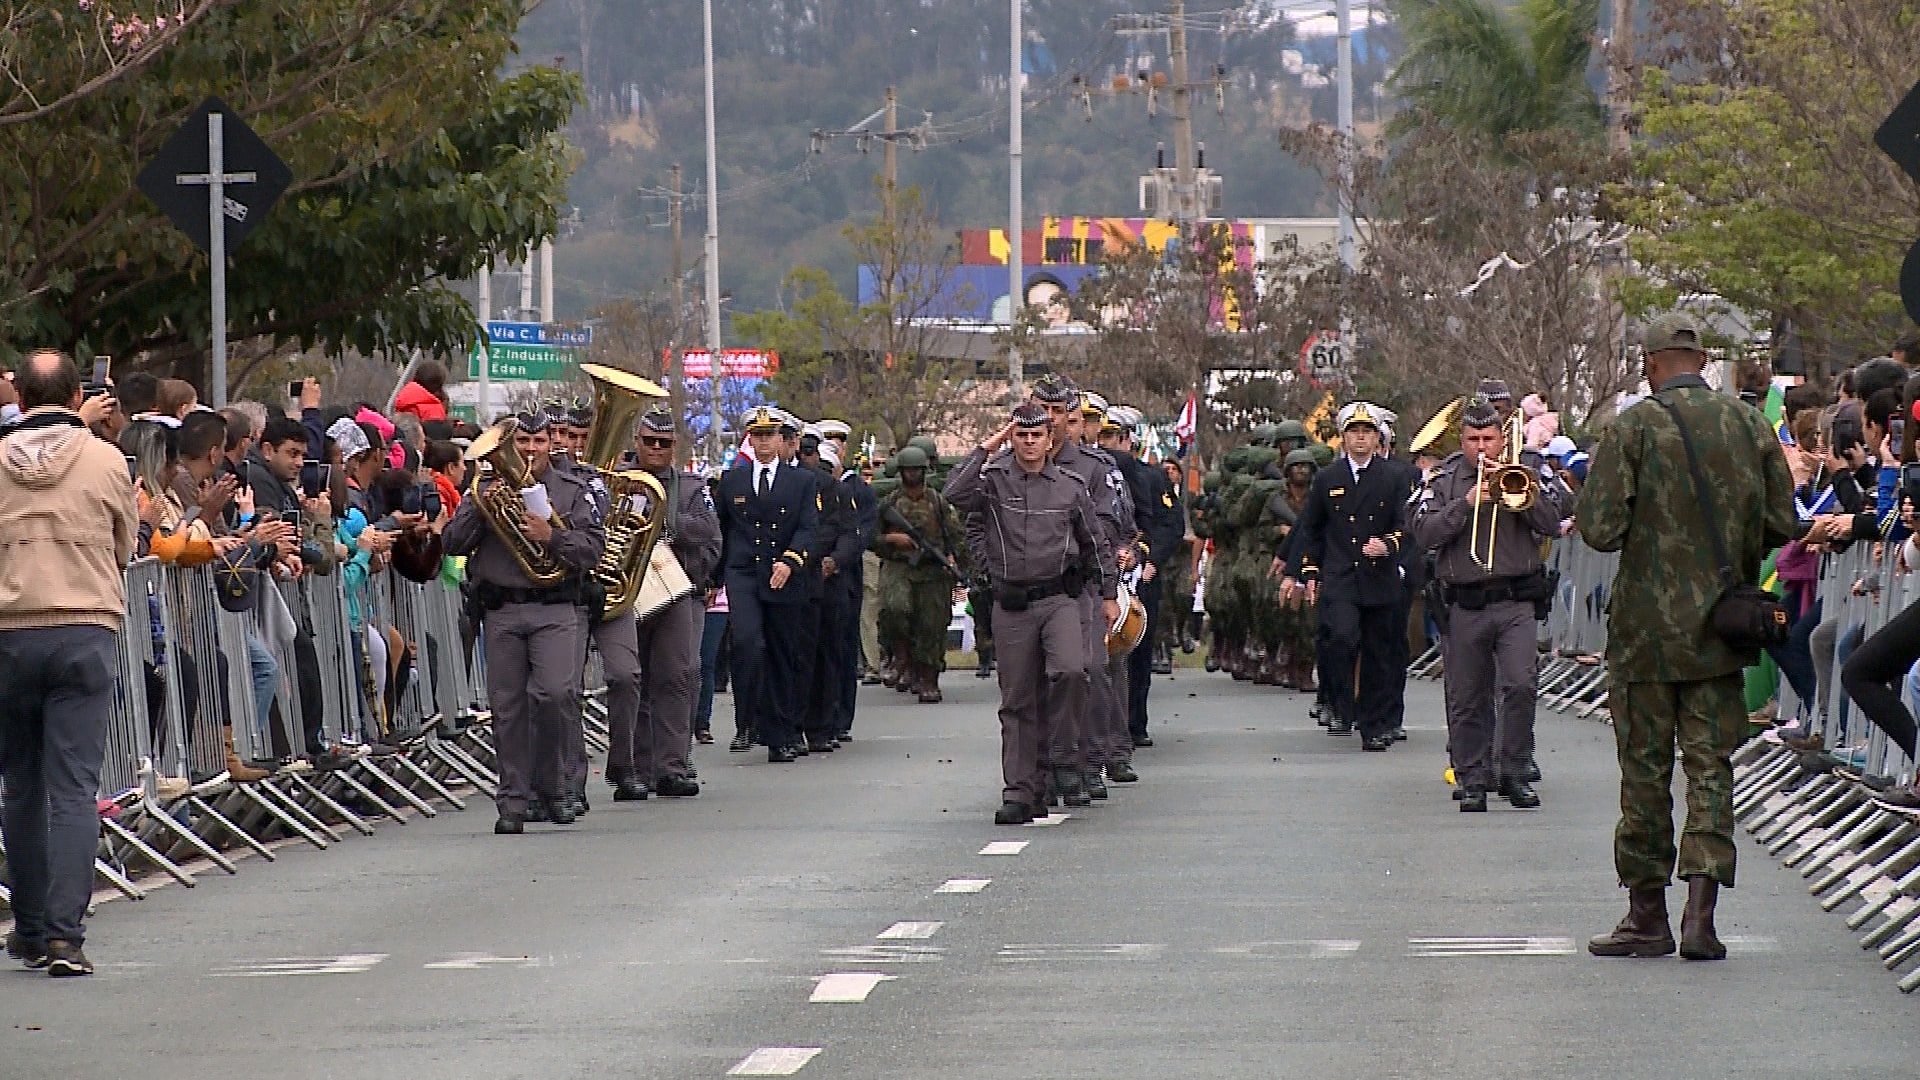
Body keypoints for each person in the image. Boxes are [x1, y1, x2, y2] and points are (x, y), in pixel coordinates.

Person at [1577, 311, 1795, 961]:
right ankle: (1702, 915)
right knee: (1710, 768)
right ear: (1701, 361)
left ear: (1650, 363)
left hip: (1644, 635)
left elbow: (1599, 529)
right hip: (1720, 631)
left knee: (1644, 772)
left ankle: (1647, 915)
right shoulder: (1750, 424)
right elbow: (1783, 521)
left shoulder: (1632, 428)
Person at [0, 349, 139, 977]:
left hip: (9, 630)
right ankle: (65, 937)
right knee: (74, 788)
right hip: (84, 626)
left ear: (20, 397)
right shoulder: (106, 460)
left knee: (21, 785)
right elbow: (125, 546)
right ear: (78, 391)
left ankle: (27, 927)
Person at [944, 402, 1118, 825]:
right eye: (1020, 435)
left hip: (1060, 598)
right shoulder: (994, 481)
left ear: (1049, 439)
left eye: (1036, 435)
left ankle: (1062, 756)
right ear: (1012, 436)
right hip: (1013, 604)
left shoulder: (1070, 486)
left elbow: (1094, 543)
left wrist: (1109, 594)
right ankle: (1022, 790)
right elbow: (953, 494)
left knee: (1072, 672)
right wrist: (988, 447)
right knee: (1018, 700)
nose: (1028, 442)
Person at [443, 411, 606, 833]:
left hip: (555, 606)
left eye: (538, 441)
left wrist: (552, 537)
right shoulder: (482, 488)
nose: (530, 450)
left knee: (555, 695)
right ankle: (514, 801)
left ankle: (554, 785)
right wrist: (482, 507)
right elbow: (452, 543)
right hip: (501, 609)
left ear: (551, 442)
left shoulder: (571, 490)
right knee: (508, 708)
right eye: (521, 443)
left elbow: (592, 549)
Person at [1412, 400, 1567, 812]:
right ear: (1461, 441)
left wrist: (1525, 492)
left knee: (1520, 685)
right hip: (1465, 604)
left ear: (1502, 440)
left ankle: (1514, 771)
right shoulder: (1443, 480)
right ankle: (1472, 778)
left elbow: (1554, 523)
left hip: (1516, 601)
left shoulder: (1524, 472)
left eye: (1489, 439)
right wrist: (1465, 504)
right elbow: (1424, 533)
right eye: (1473, 440)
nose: (1482, 448)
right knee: (1468, 697)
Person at [1278, 402, 1410, 751]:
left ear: (1376, 437)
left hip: (1379, 577)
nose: (1361, 439)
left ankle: (1375, 723)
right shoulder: (1328, 478)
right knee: (1341, 638)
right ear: (1343, 437)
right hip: (1340, 576)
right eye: (1354, 432)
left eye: (1367, 432)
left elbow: (1405, 524)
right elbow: (1312, 528)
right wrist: (1308, 571)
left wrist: (1387, 545)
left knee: (1379, 652)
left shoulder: (1393, 476)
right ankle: (1340, 701)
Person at [623, 406, 723, 797]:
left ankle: (673, 766)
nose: (656, 450)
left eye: (664, 443)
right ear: (637, 442)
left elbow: (709, 532)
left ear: (674, 446)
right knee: (633, 680)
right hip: (630, 590)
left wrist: (665, 521)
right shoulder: (620, 482)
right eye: (649, 442)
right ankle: (637, 767)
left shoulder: (692, 487)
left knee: (677, 677)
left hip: (676, 590)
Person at [715, 405, 820, 761]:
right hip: (744, 572)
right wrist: (713, 579)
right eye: (756, 435)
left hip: (783, 575)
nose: (763, 442)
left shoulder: (802, 481)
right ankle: (749, 719)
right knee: (747, 642)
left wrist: (791, 561)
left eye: (769, 435)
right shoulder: (732, 480)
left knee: (782, 652)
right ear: (749, 438)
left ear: (781, 439)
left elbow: (809, 527)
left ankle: (782, 732)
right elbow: (724, 531)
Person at [1101, 406, 1186, 752]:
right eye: (1101, 435)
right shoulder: (1093, 474)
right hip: (1106, 574)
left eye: (1111, 437)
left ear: (1127, 439)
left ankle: (1135, 722)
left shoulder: (1152, 477)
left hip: (1142, 574)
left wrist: (1153, 559)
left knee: (1139, 648)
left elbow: (1170, 525)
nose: (1105, 443)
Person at [873, 444, 966, 704]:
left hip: (932, 570)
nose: (912, 475)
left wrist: (961, 568)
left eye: (917, 470)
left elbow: (956, 537)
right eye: (908, 471)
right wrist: (893, 538)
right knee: (894, 609)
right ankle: (900, 654)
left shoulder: (937, 501)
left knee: (932, 624)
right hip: (899, 566)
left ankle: (929, 678)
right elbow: (870, 537)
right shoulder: (890, 503)